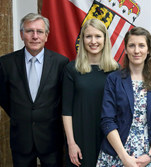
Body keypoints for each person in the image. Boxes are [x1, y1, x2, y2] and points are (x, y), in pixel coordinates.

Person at [0, 13, 69, 166]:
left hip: (51, 138)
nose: (35, 36)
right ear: (21, 34)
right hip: (21, 139)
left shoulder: (61, 63)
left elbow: (64, 98)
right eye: (30, 31)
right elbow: (4, 97)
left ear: (46, 36)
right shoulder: (6, 63)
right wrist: (21, 113)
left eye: (40, 31)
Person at [96, 27, 151, 167]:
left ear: (148, 50)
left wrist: (150, 155)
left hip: (149, 156)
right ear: (126, 49)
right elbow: (107, 120)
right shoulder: (114, 80)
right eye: (132, 45)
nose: (136, 51)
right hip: (117, 154)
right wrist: (124, 158)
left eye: (141, 45)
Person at [62, 18, 119, 167]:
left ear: (105, 39)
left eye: (98, 36)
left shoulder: (116, 70)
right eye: (88, 36)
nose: (93, 41)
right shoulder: (72, 69)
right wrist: (71, 143)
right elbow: (66, 110)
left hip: (108, 137)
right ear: (82, 39)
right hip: (80, 139)